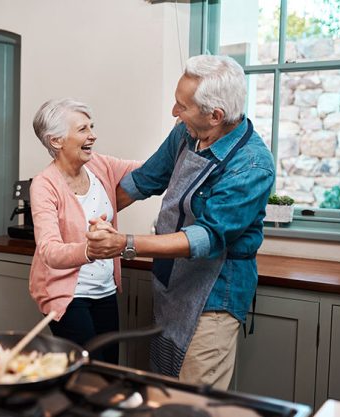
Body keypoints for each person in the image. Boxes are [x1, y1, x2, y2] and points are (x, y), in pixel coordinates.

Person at [86, 55, 276, 388]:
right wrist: (84, 216)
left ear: (215, 116)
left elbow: (204, 238)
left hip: (213, 297)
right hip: (171, 284)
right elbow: (143, 180)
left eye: (182, 106)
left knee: (192, 401)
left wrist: (124, 244)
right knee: (163, 392)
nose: (174, 112)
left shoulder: (252, 166)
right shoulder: (186, 134)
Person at [28, 98, 141, 364]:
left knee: (109, 367)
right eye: (83, 129)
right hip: (69, 296)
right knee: (88, 371)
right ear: (56, 141)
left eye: (91, 127)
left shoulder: (100, 165)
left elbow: (151, 170)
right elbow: (48, 250)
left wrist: (180, 134)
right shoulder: (44, 185)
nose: (93, 135)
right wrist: (90, 250)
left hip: (105, 290)